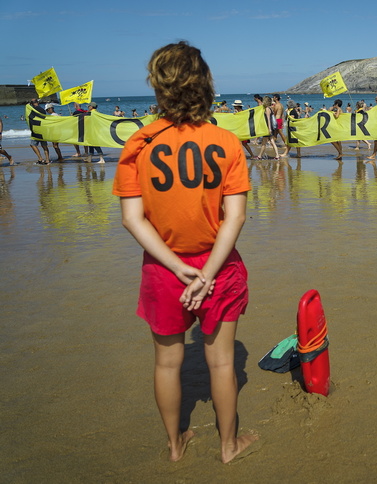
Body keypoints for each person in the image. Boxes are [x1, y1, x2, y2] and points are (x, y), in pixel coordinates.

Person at [112, 40, 257, 464]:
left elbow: (132, 219)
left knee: (167, 364)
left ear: (158, 86)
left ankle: (176, 446)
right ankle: (229, 447)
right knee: (223, 364)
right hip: (220, 265)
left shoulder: (138, 143)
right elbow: (236, 219)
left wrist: (178, 268)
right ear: (205, 84)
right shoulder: (227, 142)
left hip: (163, 269)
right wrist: (207, 273)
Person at [28, 99, 50, 164]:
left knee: (33, 144)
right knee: (44, 145)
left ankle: (40, 158)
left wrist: (29, 105)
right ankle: (47, 159)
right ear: (38, 102)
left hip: (36, 129)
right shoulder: (42, 110)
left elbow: (30, 117)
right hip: (42, 128)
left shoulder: (33, 110)